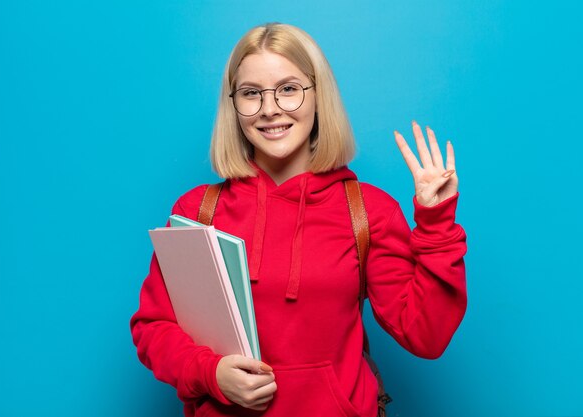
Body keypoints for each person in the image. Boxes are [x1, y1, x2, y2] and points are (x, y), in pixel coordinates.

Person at [130, 22, 467, 417]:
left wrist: (436, 225)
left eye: (288, 89)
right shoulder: (197, 212)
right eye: (251, 93)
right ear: (233, 105)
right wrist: (211, 373)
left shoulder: (367, 211)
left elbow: (424, 335)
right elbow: (154, 328)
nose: (270, 108)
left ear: (318, 96)